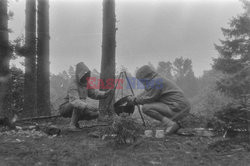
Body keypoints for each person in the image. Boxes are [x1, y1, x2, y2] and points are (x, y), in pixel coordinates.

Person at [127, 65, 191, 134]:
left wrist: (135, 101)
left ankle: (171, 124)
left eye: (142, 81)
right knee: (148, 105)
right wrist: (135, 97)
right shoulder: (156, 79)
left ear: (146, 77)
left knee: (146, 108)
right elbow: (147, 92)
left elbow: (149, 99)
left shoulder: (156, 82)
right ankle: (174, 123)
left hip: (178, 108)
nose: (142, 83)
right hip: (179, 107)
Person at [59, 62, 112, 130]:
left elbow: (93, 93)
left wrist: (104, 93)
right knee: (79, 104)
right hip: (66, 107)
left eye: (87, 75)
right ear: (79, 75)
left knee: (95, 113)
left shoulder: (86, 83)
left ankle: (76, 122)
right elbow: (74, 101)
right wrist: (87, 106)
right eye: (84, 75)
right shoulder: (73, 84)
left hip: (80, 105)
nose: (85, 77)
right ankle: (72, 125)